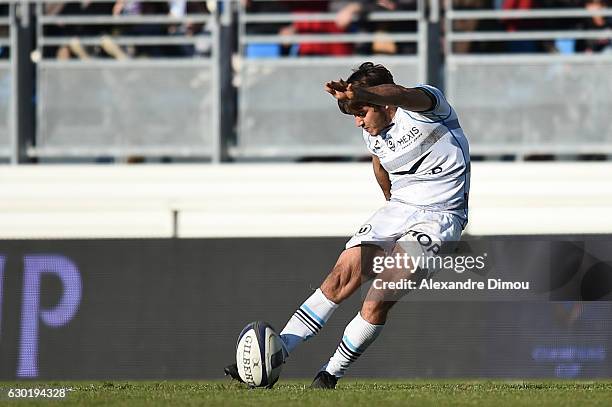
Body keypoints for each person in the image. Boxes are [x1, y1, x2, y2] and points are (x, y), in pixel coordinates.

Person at [225, 62, 471, 388]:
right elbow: (381, 166)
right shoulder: (374, 134)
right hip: (399, 209)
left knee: (378, 296)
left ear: (383, 103)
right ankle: (277, 352)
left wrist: (365, 93)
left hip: (440, 215)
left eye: (362, 112)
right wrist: (390, 208)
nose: (358, 122)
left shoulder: (428, 108)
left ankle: (330, 374)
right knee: (342, 273)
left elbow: (402, 94)